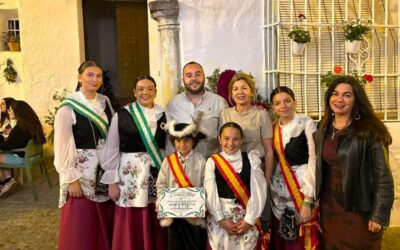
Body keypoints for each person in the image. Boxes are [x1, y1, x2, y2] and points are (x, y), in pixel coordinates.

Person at [311, 76, 394, 249]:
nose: (339, 99)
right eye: (335, 94)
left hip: (359, 212)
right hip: (330, 210)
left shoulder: (369, 131)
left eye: (347, 95)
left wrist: (379, 215)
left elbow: (384, 178)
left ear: (356, 100)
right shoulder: (322, 128)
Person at [101, 75, 168, 250]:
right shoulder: (122, 114)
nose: (145, 92)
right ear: (134, 92)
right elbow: (112, 148)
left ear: (155, 91)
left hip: (156, 174)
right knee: (132, 217)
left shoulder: (164, 114)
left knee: (154, 214)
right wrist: (112, 182)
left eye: (149, 88)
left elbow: (169, 148)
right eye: (140, 89)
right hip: (129, 176)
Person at [54, 60, 115, 250]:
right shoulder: (68, 107)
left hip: (103, 170)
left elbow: (112, 135)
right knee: (82, 223)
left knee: (105, 218)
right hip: (81, 173)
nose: (94, 79)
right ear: (79, 77)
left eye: (98, 76)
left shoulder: (105, 102)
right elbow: (62, 144)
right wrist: (71, 178)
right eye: (90, 75)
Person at [269, 86, 319, 249]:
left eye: (287, 101)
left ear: (295, 102)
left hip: (302, 186)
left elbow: (314, 159)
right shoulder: (273, 127)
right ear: (273, 107)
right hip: (279, 190)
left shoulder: (307, 123)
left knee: (301, 234)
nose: (283, 106)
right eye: (277, 103)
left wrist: (308, 200)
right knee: (284, 234)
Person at [205, 122, 267, 249]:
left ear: (242, 140)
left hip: (245, 219)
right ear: (220, 139)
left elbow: (259, 192)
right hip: (220, 220)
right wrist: (221, 220)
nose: (231, 143)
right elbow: (209, 193)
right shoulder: (212, 162)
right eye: (226, 139)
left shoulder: (251, 159)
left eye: (236, 139)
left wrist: (249, 220)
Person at [156, 120, 207, 250]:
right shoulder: (168, 161)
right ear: (174, 142)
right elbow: (161, 185)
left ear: (193, 142)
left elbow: (206, 186)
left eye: (186, 141)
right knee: (175, 245)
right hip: (173, 217)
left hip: (194, 217)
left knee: (195, 245)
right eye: (178, 141)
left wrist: (202, 205)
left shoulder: (201, 161)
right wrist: (162, 204)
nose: (182, 144)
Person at [219, 71, 274, 183]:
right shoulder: (225, 114)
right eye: (235, 89)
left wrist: (267, 179)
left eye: (244, 88)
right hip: (232, 171)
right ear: (231, 94)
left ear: (252, 92)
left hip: (257, 171)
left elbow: (269, 151)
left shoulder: (261, 115)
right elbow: (222, 146)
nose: (240, 92)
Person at [167, 61, 228, 158]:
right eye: (189, 75)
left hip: (211, 165)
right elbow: (169, 140)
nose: (194, 79)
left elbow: (226, 138)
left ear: (204, 76)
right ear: (183, 80)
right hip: (181, 167)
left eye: (198, 74)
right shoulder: (173, 104)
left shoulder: (219, 103)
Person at [0, 100, 46, 197]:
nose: (9, 112)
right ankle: (7, 181)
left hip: (23, 158)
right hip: (35, 157)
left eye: (11, 110)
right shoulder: (33, 124)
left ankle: (6, 181)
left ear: (18, 112)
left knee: (1, 154)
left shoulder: (20, 128)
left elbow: (8, 147)